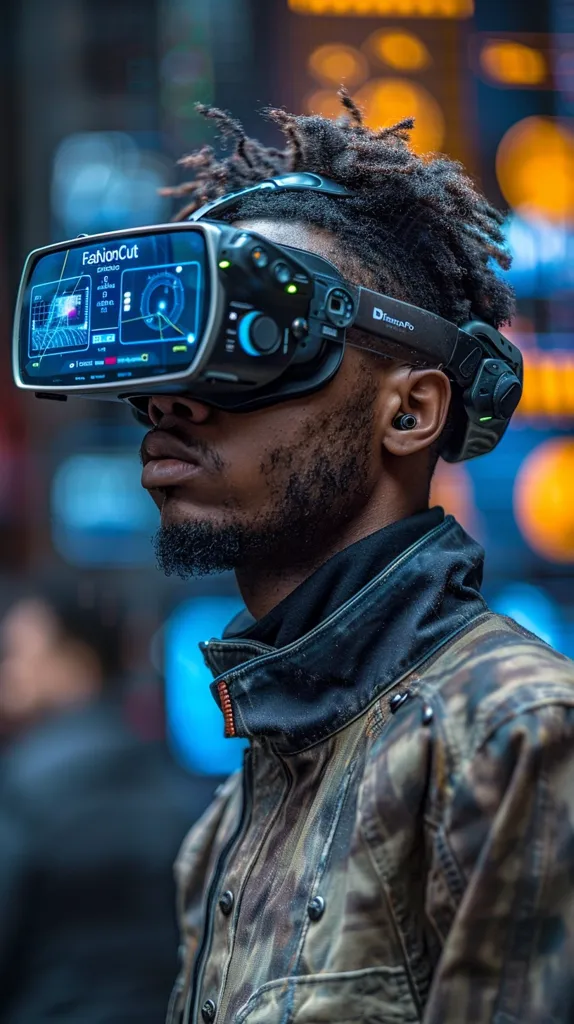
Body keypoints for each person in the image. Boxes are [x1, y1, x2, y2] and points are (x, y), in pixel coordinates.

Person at [139, 96, 574, 1024]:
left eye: (251, 337)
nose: (172, 398)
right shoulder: (233, 814)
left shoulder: (516, 739)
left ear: (410, 412)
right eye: (173, 345)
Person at [0, 582, 221, 1024]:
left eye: (18, 654)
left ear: (77, 662)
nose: (8, 673)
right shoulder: (174, 782)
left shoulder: (22, 787)